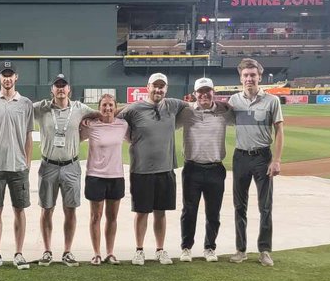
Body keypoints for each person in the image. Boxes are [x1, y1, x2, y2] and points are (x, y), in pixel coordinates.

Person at [117, 72, 188, 265]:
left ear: (166, 88)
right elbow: (114, 119)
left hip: (165, 169)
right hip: (141, 169)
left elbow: (195, 106)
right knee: (141, 212)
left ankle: (160, 249)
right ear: (147, 87)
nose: (158, 89)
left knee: (160, 212)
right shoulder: (134, 109)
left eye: (161, 86)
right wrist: (128, 138)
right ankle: (139, 250)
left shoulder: (173, 105)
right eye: (154, 86)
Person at [31, 74, 95, 266]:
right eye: (57, 86)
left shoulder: (80, 109)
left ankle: (67, 251)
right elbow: (18, 108)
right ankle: (47, 251)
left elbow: (103, 115)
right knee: (47, 209)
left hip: (71, 165)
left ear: (69, 90)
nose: (60, 89)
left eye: (63, 86)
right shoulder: (41, 109)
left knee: (70, 210)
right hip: (48, 165)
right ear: (52, 90)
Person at [228, 58, 284, 266]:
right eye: (245, 75)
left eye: (253, 75)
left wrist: (276, 160)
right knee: (239, 206)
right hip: (240, 156)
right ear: (240, 78)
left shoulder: (272, 101)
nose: (249, 78)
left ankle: (264, 250)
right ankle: (240, 249)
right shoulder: (233, 101)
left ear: (259, 77)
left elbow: (279, 131)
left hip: (262, 157)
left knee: (265, 206)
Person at [0, 65, 33, 270]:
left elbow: (28, 136)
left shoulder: (26, 103)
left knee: (20, 210)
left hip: (18, 166)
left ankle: (19, 253)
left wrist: (26, 163)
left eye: (10, 76)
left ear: (16, 77)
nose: (7, 79)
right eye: (4, 76)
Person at [176, 77, 234, 263]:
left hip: (215, 168)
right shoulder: (186, 112)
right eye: (200, 91)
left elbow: (244, 116)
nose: (204, 94)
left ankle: (210, 247)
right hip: (192, 168)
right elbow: (167, 123)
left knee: (213, 212)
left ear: (213, 92)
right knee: (189, 211)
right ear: (194, 94)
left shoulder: (224, 112)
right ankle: (186, 247)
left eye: (207, 91)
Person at [80, 93, 129, 265]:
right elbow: (78, 125)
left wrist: (120, 110)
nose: (107, 108)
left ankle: (110, 252)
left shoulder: (123, 125)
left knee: (112, 217)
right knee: (96, 216)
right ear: (98, 107)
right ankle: (96, 253)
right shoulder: (91, 125)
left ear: (115, 108)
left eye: (111, 105)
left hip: (116, 176)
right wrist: (89, 117)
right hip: (95, 176)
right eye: (104, 105)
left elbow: (130, 108)